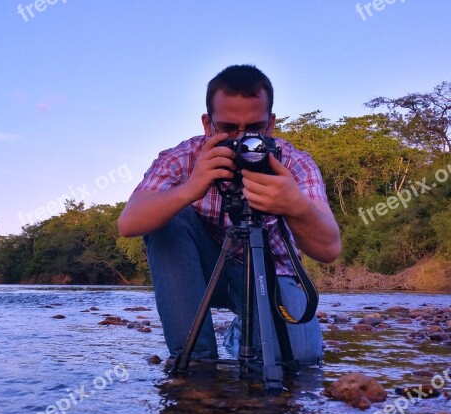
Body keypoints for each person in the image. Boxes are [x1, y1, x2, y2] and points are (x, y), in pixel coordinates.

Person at [117, 64, 341, 364]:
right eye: (227, 129)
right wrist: (190, 188)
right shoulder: (182, 157)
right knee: (167, 218)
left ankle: (242, 331)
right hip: (204, 272)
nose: (240, 141)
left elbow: (328, 250)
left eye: (254, 130)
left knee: (298, 361)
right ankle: (196, 360)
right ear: (207, 125)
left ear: (271, 125)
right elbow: (129, 222)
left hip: (272, 276)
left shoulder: (294, 163)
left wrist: (296, 205)